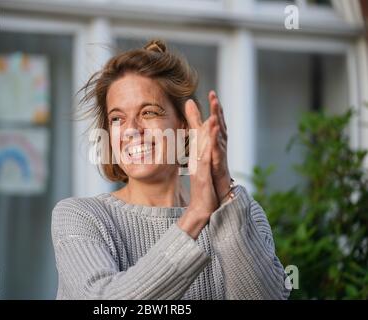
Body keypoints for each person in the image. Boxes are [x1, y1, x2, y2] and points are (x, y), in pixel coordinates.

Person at [51, 39, 291, 300]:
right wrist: (196, 215)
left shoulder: (243, 213)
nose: (131, 129)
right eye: (117, 119)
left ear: (184, 126)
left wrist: (221, 188)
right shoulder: (81, 217)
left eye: (149, 112)